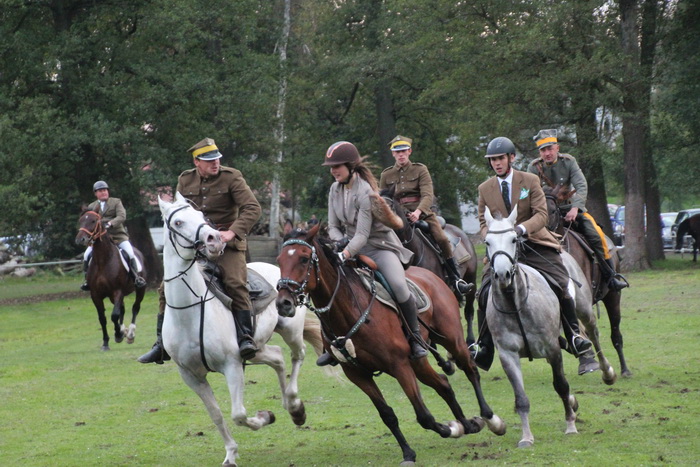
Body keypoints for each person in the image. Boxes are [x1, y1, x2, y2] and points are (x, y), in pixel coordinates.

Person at [471, 136, 592, 371]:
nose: (497, 163)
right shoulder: (484, 189)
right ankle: (484, 345)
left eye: (500, 158)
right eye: (493, 160)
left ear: (511, 158)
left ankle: (574, 335)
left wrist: (521, 229)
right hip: (503, 249)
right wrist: (491, 235)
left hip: (534, 243)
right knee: (483, 291)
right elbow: (482, 221)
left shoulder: (530, 180)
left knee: (561, 281)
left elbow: (541, 214)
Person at [138, 137, 262, 364]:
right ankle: (161, 343)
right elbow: (180, 211)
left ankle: (245, 337)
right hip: (198, 245)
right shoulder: (185, 179)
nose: (215, 163)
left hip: (226, 245)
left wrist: (232, 232)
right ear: (197, 162)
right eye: (209, 160)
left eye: (217, 159)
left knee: (235, 283)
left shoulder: (231, 177)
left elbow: (252, 208)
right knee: (166, 288)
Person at [317, 141, 427, 366]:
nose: (333, 171)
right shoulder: (334, 189)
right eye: (331, 167)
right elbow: (333, 225)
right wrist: (339, 243)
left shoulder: (365, 192)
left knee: (398, 285)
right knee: (328, 287)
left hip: (378, 248)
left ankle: (415, 337)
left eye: (337, 166)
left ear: (351, 166)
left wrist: (344, 254)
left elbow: (363, 235)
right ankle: (331, 343)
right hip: (349, 247)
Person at [527, 129, 627, 291]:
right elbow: (527, 192)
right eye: (543, 150)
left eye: (550, 148)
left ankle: (611, 276)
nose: (547, 153)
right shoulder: (533, 168)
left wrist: (575, 208)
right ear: (540, 152)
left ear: (557, 148)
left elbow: (581, 185)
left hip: (569, 210)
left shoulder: (568, 162)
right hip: (545, 214)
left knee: (596, 235)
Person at [379, 135, 472, 295]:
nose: (401, 154)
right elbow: (383, 199)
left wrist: (418, 212)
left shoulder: (420, 169)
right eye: (397, 152)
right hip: (397, 216)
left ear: (409, 151)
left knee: (442, 238)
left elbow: (428, 194)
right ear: (393, 154)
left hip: (422, 213)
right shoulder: (386, 175)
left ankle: (455, 278)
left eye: (403, 151)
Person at [81, 180, 146, 291]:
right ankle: (87, 280)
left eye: (105, 190)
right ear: (96, 193)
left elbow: (122, 216)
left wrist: (111, 223)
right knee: (86, 255)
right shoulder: (92, 206)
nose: (104, 192)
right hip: (99, 239)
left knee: (130, 253)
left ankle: (136, 278)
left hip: (118, 236)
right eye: (100, 191)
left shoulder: (116, 202)